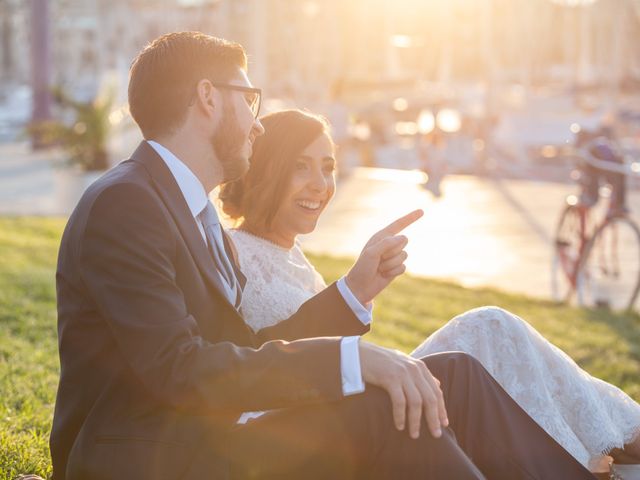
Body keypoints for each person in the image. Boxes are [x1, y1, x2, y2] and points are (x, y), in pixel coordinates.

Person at [51, 32, 594, 480]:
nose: (257, 122)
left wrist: (352, 299)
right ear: (208, 98)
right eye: (250, 98)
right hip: (151, 458)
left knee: (450, 377)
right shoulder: (127, 203)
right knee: (384, 410)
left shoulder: (191, 210)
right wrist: (352, 361)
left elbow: (242, 349)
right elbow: (180, 369)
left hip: (209, 436)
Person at [220, 108, 640, 476]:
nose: (320, 184)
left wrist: (361, 289)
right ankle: (625, 441)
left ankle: (621, 439)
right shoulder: (233, 253)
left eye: (327, 167)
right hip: (310, 430)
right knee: (487, 327)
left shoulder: (288, 251)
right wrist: (352, 290)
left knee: (489, 332)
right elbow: (265, 359)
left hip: (346, 408)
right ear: (267, 169)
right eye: (301, 166)